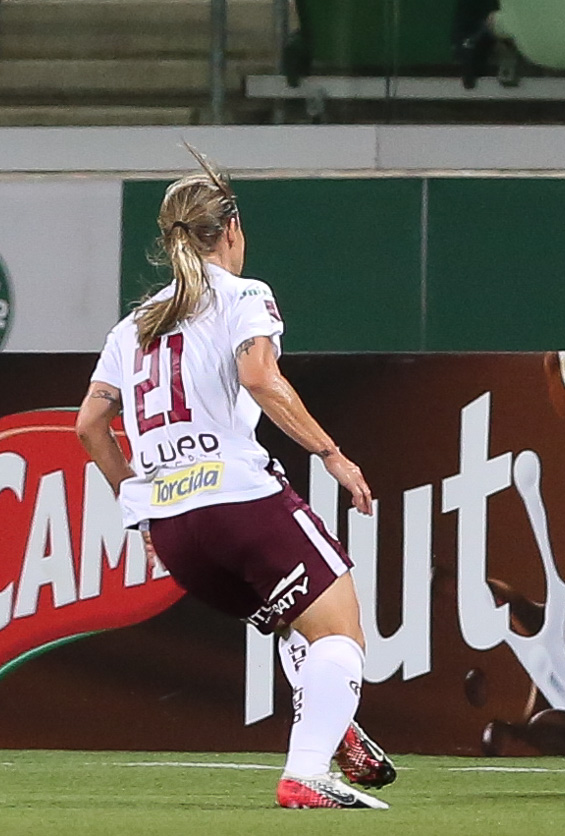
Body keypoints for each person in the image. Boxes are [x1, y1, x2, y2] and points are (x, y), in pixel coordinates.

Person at [75, 149, 395, 810]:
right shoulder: (244, 296)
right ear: (231, 231)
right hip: (238, 502)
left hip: (177, 536)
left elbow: (88, 426)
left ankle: (333, 734)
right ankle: (306, 770)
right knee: (342, 638)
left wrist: (139, 508)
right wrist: (332, 453)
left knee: (295, 624)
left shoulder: (130, 325)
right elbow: (260, 377)